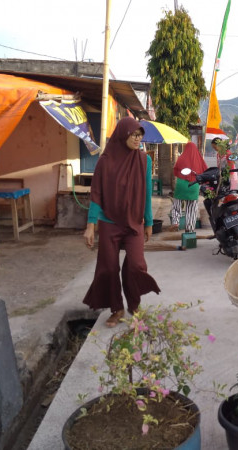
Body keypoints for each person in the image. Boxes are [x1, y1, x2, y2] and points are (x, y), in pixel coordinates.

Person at [82, 117, 160, 327]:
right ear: (123, 134)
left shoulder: (144, 160)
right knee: (108, 268)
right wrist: (91, 225)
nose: (138, 139)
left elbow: (146, 194)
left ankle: (134, 305)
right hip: (109, 222)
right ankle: (117, 309)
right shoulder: (105, 161)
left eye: (140, 135)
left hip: (134, 222)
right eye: (134, 135)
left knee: (136, 266)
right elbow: (96, 194)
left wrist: (149, 222)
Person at [170, 142, 208, 233]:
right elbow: (205, 172)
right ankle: (189, 229)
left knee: (177, 205)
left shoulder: (182, 157)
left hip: (181, 185)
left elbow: (175, 171)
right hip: (194, 185)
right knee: (191, 209)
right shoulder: (199, 159)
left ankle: (175, 222)